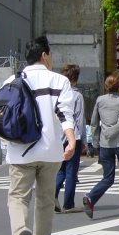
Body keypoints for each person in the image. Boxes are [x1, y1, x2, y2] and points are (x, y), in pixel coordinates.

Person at [3, 36, 75, 235]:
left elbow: (2, 117)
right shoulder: (59, 81)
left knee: (18, 197)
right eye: (50, 55)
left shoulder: (11, 81)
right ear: (44, 56)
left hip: (19, 151)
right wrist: (71, 141)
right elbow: (65, 113)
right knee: (45, 199)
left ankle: (21, 232)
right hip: (50, 150)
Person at [83, 71, 119, 218]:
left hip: (105, 143)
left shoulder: (100, 100)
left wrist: (95, 142)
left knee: (108, 177)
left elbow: (94, 123)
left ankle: (91, 197)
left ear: (106, 86)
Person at [54, 64, 86, 213]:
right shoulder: (77, 96)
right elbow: (79, 119)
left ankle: (51, 199)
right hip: (73, 136)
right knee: (71, 171)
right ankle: (68, 204)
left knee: (60, 170)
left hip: (58, 136)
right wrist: (84, 141)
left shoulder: (56, 94)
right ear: (75, 78)